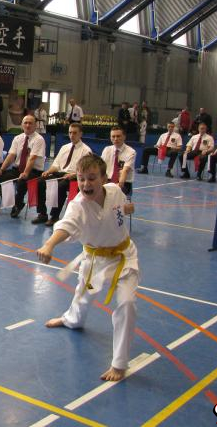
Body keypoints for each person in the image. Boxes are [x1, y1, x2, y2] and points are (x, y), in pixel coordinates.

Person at [37, 154, 138, 382]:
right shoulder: (78, 206)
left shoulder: (115, 191)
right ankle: (72, 320)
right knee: (83, 295)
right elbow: (65, 226)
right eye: (81, 179)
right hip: (95, 259)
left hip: (124, 257)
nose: (85, 184)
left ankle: (119, 363)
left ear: (104, 179)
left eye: (92, 178)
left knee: (127, 303)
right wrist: (49, 244)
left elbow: (119, 209)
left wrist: (127, 208)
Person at [32, 123, 92, 227]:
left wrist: (73, 175)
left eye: (74, 133)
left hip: (74, 177)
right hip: (60, 174)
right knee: (40, 182)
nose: (71, 135)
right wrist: (48, 171)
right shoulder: (64, 147)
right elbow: (56, 165)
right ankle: (42, 213)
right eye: (70, 132)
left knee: (60, 186)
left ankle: (54, 216)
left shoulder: (86, 150)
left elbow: (85, 171)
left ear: (80, 134)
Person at [0, 114, 46, 218]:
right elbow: (11, 156)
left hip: (33, 171)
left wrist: (25, 173)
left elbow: (32, 158)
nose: (28, 125)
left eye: (30, 123)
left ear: (35, 125)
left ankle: (18, 203)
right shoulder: (17, 138)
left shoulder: (39, 139)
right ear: (22, 125)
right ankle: (14, 203)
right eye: (25, 123)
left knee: (22, 181)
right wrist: (1, 170)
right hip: (17, 169)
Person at [101, 126, 136, 197]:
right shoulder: (106, 149)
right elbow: (100, 167)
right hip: (107, 180)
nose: (115, 139)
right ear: (110, 137)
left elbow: (125, 171)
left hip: (124, 183)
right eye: (113, 136)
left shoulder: (131, 152)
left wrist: (118, 186)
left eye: (118, 136)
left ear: (124, 137)